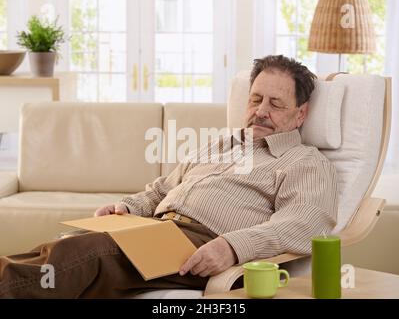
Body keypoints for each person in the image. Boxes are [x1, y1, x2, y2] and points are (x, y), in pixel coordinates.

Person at [0, 55, 338, 298]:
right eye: (256, 99)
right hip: (156, 232)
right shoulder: (221, 144)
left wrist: (233, 247)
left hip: (202, 245)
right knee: (62, 247)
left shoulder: (305, 162)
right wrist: (127, 208)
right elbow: (161, 190)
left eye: (276, 103)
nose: (261, 110)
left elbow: (304, 224)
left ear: (300, 114)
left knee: (89, 254)